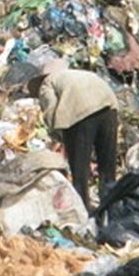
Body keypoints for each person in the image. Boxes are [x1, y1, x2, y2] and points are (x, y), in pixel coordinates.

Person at [28, 59, 118, 212]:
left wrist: (57, 136)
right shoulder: (77, 74)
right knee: (107, 166)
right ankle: (111, 209)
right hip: (109, 106)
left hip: (81, 111)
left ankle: (83, 211)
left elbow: (50, 111)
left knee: (79, 169)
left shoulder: (47, 82)